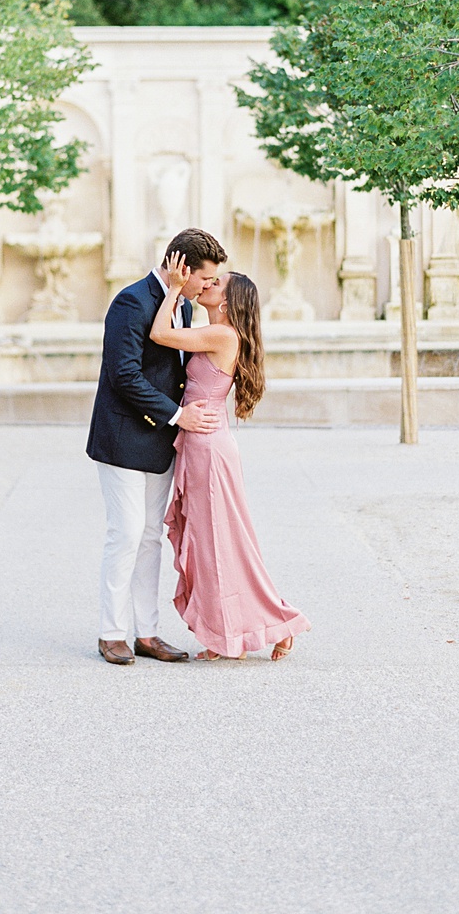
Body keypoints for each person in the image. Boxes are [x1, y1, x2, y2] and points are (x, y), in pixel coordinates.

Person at [151, 251, 311, 661]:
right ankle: (230, 634)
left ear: (227, 303)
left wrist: (172, 288)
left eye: (217, 284)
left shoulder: (222, 336)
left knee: (221, 542)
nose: (208, 284)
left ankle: (277, 621)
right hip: (201, 443)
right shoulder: (213, 330)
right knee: (211, 542)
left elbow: (159, 334)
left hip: (208, 448)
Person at [86, 228, 227, 666]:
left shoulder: (180, 307)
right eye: (204, 279)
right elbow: (124, 374)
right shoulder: (131, 301)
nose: (208, 287)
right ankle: (111, 633)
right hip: (123, 437)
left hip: (162, 441)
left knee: (150, 538)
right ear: (180, 267)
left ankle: (147, 633)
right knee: (125, 534)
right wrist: (178, 415)